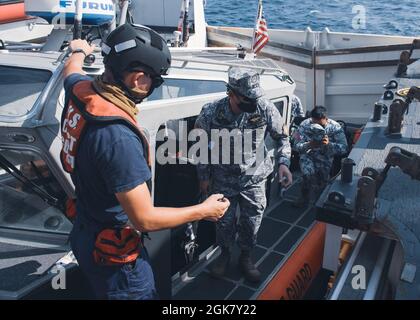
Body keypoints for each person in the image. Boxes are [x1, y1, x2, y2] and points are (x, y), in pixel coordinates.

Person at [60, 23, 229, 300]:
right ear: (139, 79)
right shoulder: (118, 139)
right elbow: (144, 219)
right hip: (115, 259)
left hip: (85, 229)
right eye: (155, 79)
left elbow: (71, 70)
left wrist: (78, 50)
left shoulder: (82, 91)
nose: (154, 85)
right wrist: (205, 210)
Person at [195, 67, 293, 282]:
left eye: (255, 96)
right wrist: (203, 177)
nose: (252, 101)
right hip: (223, 179)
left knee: (252, 222)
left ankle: (246, 258)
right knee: (223, 223)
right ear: (231, 93)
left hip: (254, 179)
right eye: (247, 98)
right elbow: (201, 146)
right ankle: (224, 256)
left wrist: (284, 163)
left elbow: (282, 138)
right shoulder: (211, 112)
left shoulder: (264, 108)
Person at [292, 106, 348, 207]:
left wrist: (329, 145)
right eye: (314, 123)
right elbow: (296, 145)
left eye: (320, 124)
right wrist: (309, 145)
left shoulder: (335, 127)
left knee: (322, 183)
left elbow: (344, 148)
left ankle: (319, 202)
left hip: (325, 158)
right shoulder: (304, 125)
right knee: (307, 174)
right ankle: (304, 197)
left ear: (326, 119)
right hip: (308, 155)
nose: (317, 126)